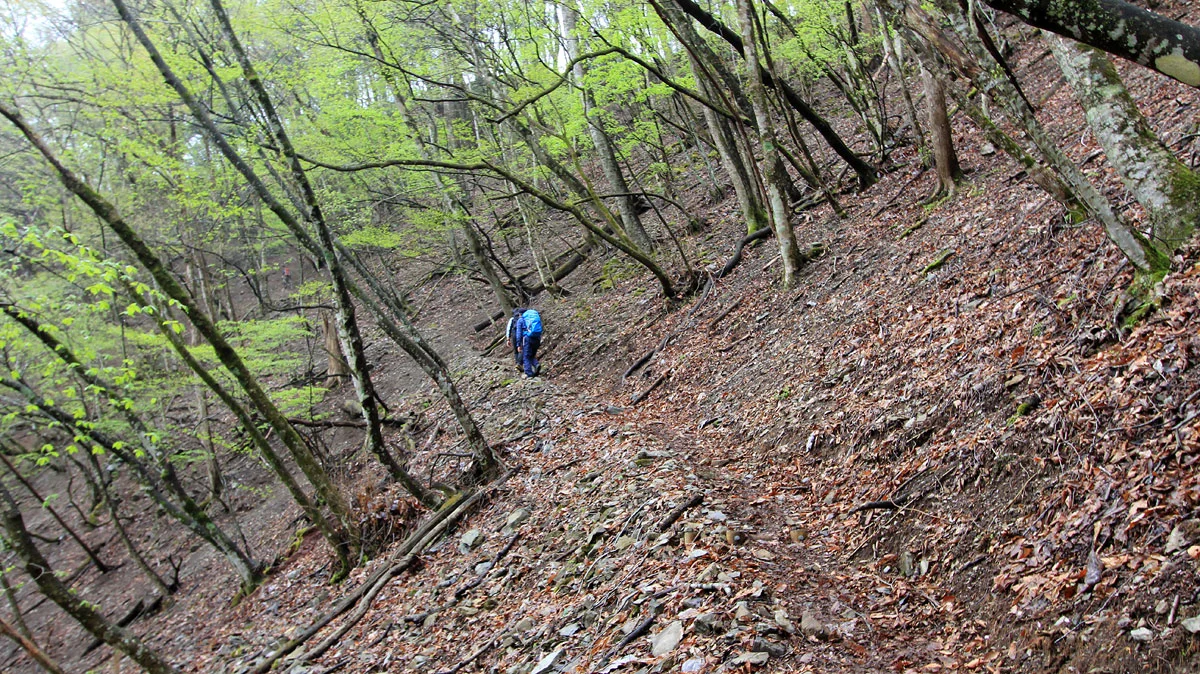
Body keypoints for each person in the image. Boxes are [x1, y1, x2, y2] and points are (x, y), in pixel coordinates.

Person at [512, 307, 543, 378]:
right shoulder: (533, 317)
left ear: (520, 314)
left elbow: (519, 333)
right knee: (531, 355)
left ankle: (529, 374)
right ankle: (536, 364)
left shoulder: (521, 320)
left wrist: (518, 344)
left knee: (526, 356)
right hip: (537, 338)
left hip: (527, 339)